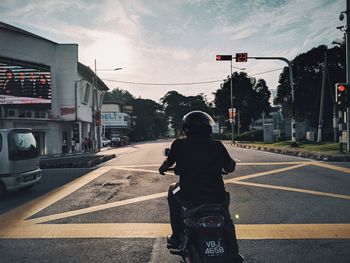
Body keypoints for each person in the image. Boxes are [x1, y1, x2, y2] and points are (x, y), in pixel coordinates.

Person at [159, 110, 241, 260]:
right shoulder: (217, 145)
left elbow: (168, 162)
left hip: (189, 197)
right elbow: (230, 167)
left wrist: (163, 168)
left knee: (172, 190)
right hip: (216, 197)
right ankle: (234, 251)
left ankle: (176, 236)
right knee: (226, 219)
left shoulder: (179, 144)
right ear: (208, 128)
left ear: (186, 128)